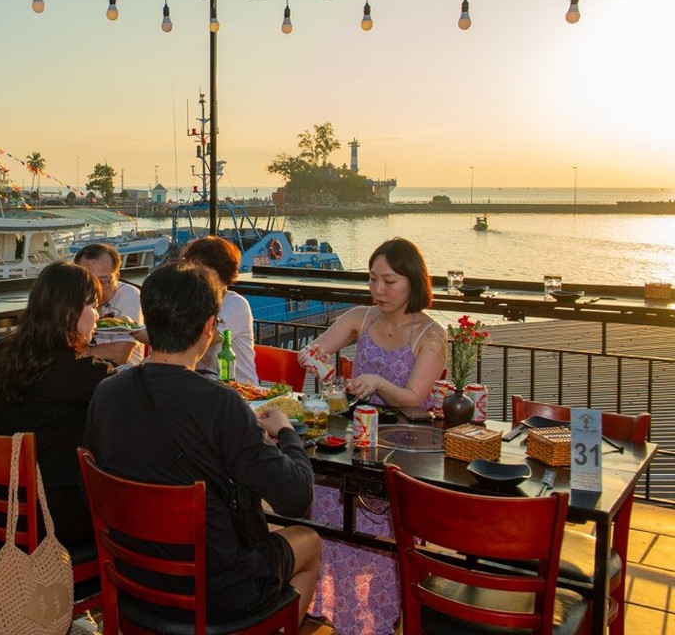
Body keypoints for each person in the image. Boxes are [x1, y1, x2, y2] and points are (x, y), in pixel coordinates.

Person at [84, 261, 321, 628]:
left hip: (132, 575)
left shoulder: (107, 392)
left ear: (150, 324)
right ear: (209, 327)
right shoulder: (221, 404)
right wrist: (287, 434)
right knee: (310, 541)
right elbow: (296, 499)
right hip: (216, 591)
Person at [298, 237, 446, 635]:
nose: (378, 290)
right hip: (358, 441)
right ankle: (333, 608)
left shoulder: (431, 335)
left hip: (404, 448)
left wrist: (378, 381)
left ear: (413, 282)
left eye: (389, 281)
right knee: (327, 512)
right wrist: (319, 364)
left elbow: (416, 399)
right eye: (373, 279)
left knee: (379, 540)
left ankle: (377, 617)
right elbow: (315, 351)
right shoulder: (360, 317)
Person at [0, 261, 114, 549]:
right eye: (93, 306)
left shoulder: (4, 352)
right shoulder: (81, 373)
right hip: (47, 518)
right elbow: (130, 396)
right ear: (70, 312)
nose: (99, 315)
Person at [181, 236, 257, 383]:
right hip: (204, 385)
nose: (192, 274)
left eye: (197, 268)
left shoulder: (236, 304)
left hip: (240, 389)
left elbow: (208, 337)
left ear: (217, 271)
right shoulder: (194, 301)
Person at [73, 243, 144, 367]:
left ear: (116, 277)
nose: (96, 289)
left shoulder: (130, 295)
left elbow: (120, 355)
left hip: (122, 375)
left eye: (103, 281)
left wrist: (75, 353)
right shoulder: (71, 297)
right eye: (88, 281)